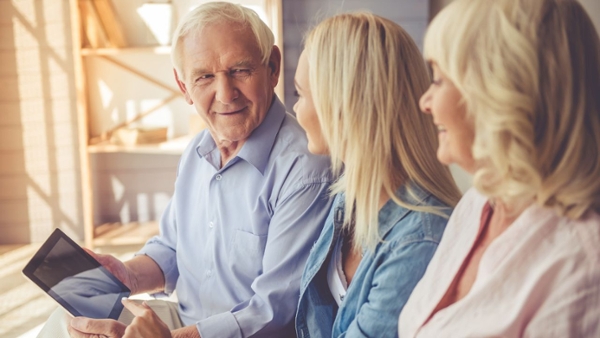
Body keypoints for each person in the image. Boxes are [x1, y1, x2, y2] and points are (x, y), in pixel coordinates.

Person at [39, 2, 335, 338]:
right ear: (184, 88)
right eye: (205, 76)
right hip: (185, 320)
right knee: (68, 324)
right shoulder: (197, 152)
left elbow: (274, 311)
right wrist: (126, 275)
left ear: (272, 67)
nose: (225, 94)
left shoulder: (305, 169)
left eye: (240, 70)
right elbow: (171, 249)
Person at [399, 0, 600, 336]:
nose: (425, 102)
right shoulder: (479, 200)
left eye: (437, 79)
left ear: (499, 91)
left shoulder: (581, 265)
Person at [292, 13, 463, 337]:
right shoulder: (349, 196)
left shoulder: (422, 238)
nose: (296, 109)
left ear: (342, 106)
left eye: (301, 94)